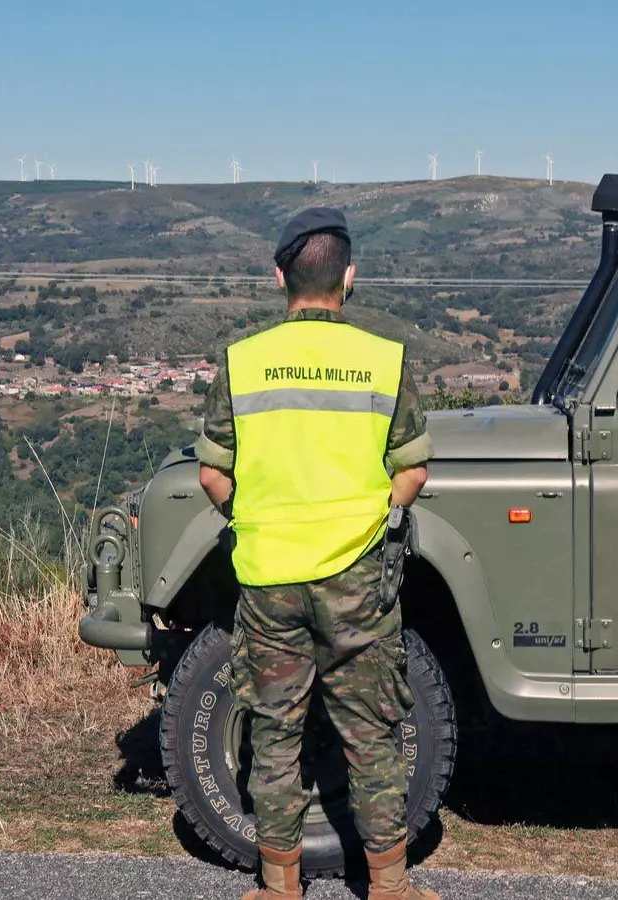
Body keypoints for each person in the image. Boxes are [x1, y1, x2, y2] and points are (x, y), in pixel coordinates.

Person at [196, 208, 437, 900]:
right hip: (357, 579)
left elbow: (212, 474)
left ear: (280, 278)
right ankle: (389, 887)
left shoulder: (242, 363)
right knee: (371, 733)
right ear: (348, 277)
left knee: (275, 735)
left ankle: (279, 888)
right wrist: (373, 520)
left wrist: (253, 518)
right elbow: (414, 471)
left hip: (269, 578)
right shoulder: (385, 361)